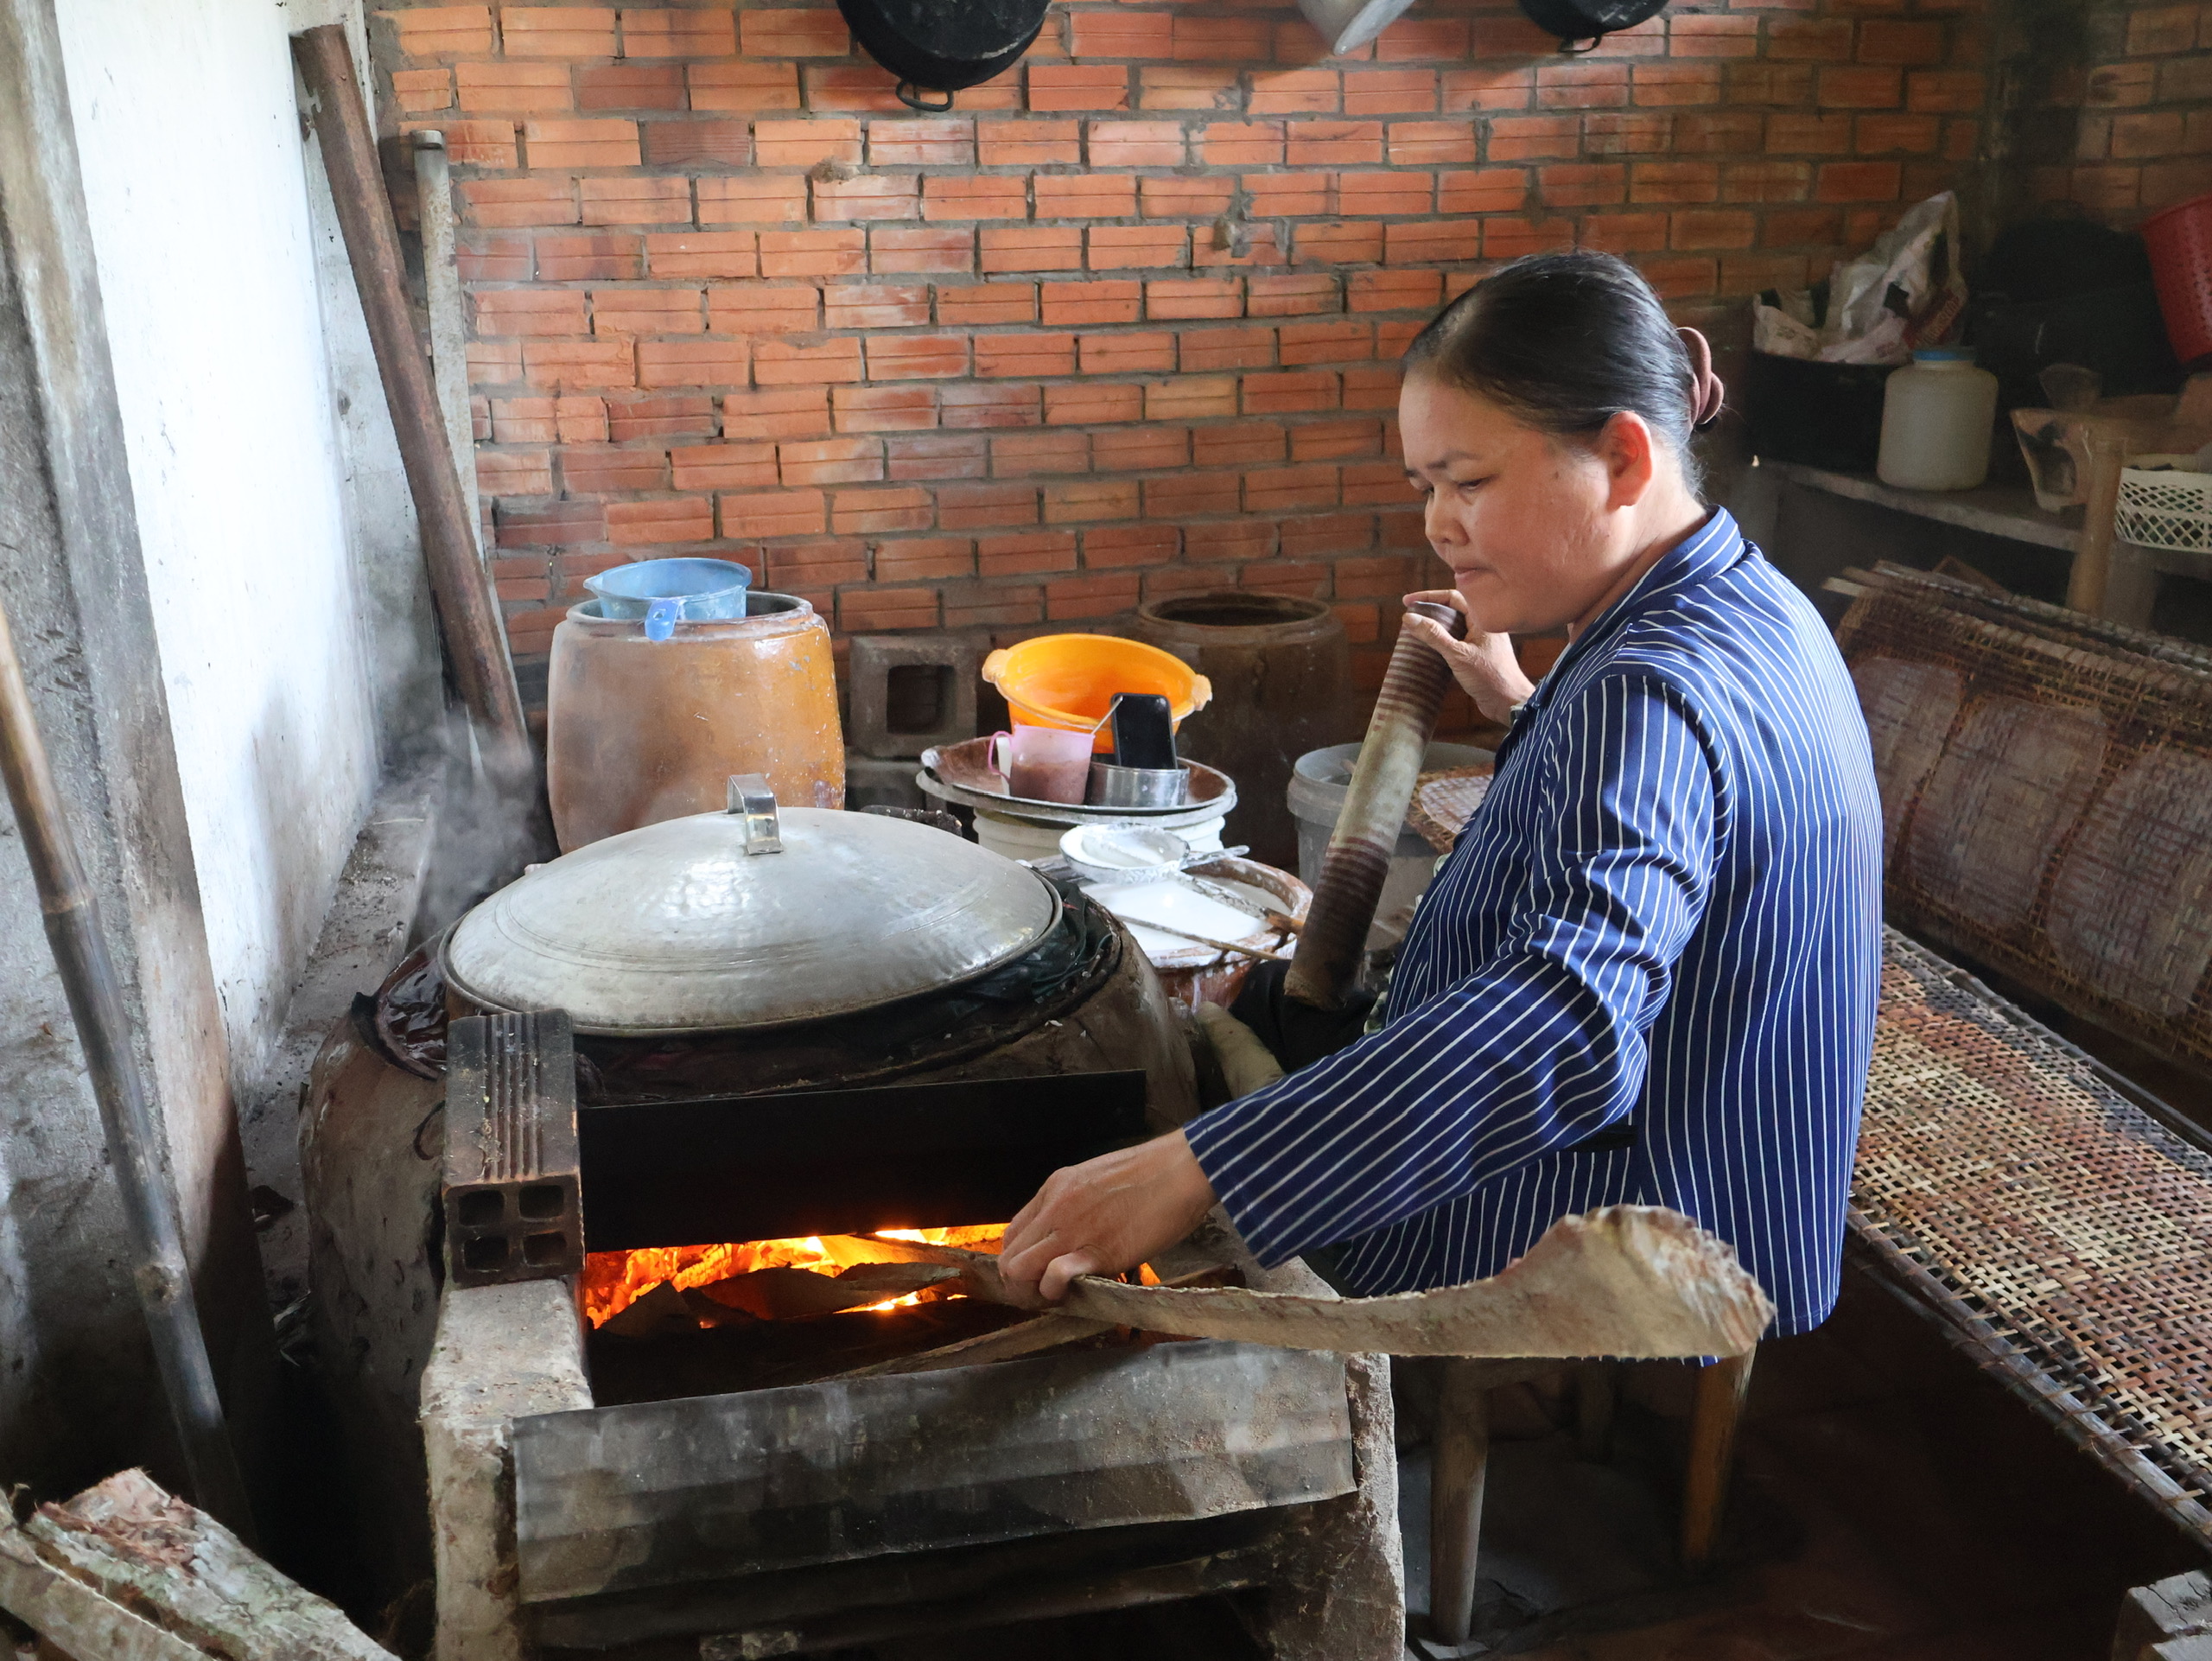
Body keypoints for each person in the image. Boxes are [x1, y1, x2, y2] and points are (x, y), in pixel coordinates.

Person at [998, 251, 1884, 1339]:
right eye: (1425, 487)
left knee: (1181, 1140)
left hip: (1662, 1229)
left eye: (1468, 482)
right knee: (1266, 1029)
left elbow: (1569, 1023)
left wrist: (1199, 1170)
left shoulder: (1642, 693)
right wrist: (1529, 703)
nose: (1438, 524)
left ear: (1618, 457)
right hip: (1739, 1183)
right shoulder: (1745, 596)